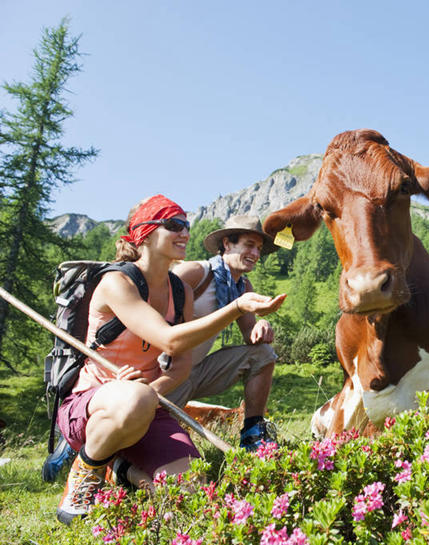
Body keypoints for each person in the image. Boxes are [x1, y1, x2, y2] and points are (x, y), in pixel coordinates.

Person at [55, 195, 284, 525]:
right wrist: (236, 308)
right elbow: (169, 340)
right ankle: (86, 471)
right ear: (145, 234)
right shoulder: (117, 282)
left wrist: (150, 395)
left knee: (195, 491)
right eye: (174, 225)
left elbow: (179, 363)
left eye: (187, 226)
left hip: (148, 401)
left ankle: (121, 468)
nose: (185, 233)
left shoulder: (181, 291)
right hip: (92, 403)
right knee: (135, 398)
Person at [169, 215, 281, 452]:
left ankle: (253, 435)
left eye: (259, 248)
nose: (256, 254)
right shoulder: (196, 273)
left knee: (263, 353)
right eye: (249, 245)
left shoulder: (242, 287)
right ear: (227, 244)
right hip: (166, 372)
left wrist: (260, 327)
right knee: (148, 439)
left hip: (198, 371)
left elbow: (250, 333)